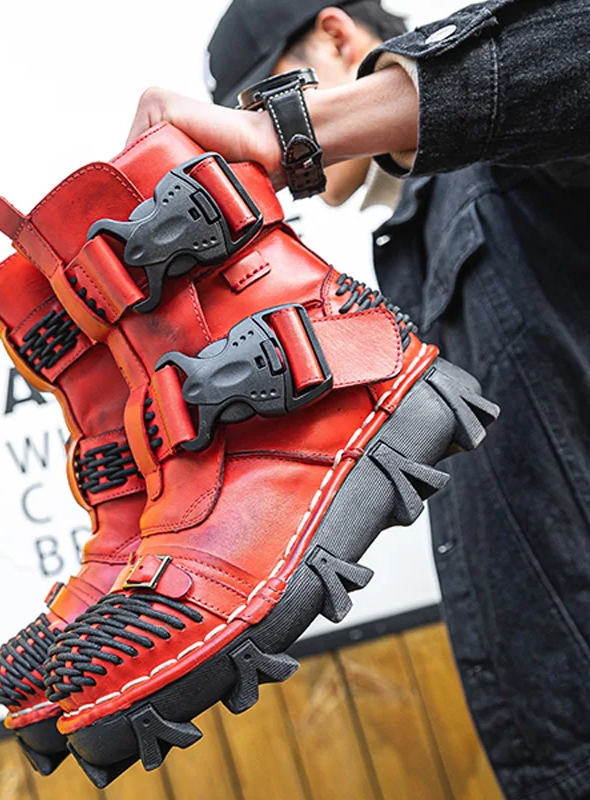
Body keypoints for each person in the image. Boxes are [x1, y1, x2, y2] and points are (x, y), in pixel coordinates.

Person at [126, 1, 590, 798]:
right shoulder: (410, 239)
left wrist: (299, 129)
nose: (248, 137)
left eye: (257, 97)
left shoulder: (507, 163)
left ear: (337, 37)